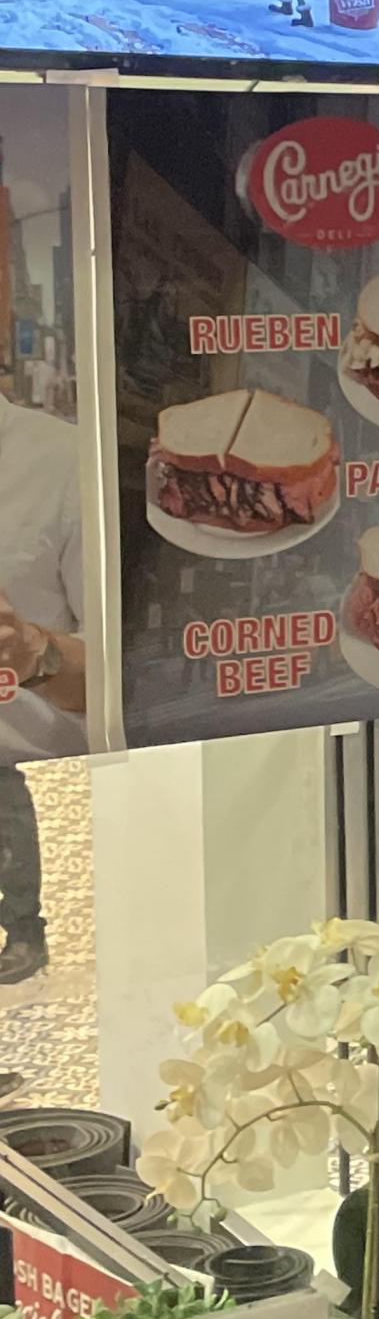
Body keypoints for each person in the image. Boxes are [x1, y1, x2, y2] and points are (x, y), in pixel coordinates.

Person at [0, 386, 89, 986]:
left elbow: (129, 677)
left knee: (11, 836)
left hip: (25, 761)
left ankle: (25, 933)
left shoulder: (64, 461)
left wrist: (33, 652)